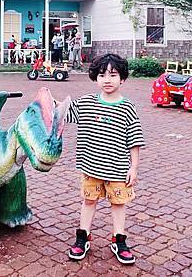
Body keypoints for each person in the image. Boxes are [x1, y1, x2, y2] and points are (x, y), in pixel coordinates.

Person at [64, 54, 145, 265]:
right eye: (102, 75)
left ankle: (119, 240)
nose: (107, 79)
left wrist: (133, 168)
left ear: (122, 79)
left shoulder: (127, 107)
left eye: (113, 74)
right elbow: (64, 111)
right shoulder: (86, 103)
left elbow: (134, 139)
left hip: (118, 169)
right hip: (91, 167)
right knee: (89, 201)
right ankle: (83, 237)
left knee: (118, 204)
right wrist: (47, 101)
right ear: (95, 78)